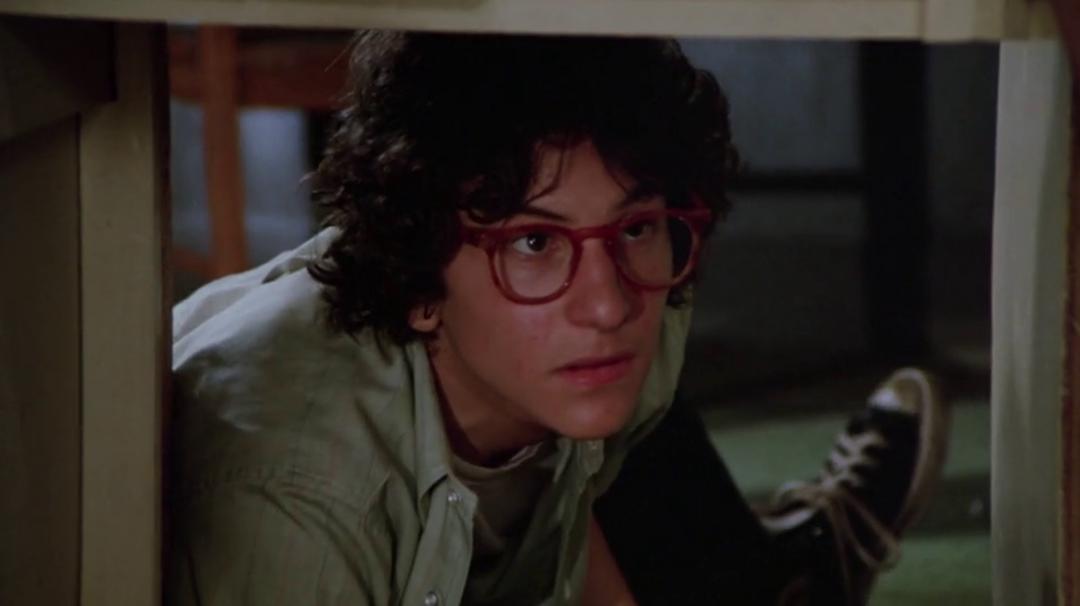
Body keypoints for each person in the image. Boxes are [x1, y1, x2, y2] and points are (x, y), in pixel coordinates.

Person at [166, 31, 947, 606]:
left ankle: (791, 571)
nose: (608, 303)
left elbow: (579, 503)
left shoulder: (644, 307)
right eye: (534, 242)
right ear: (418, 280)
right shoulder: (296, 496)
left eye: (635, 226)